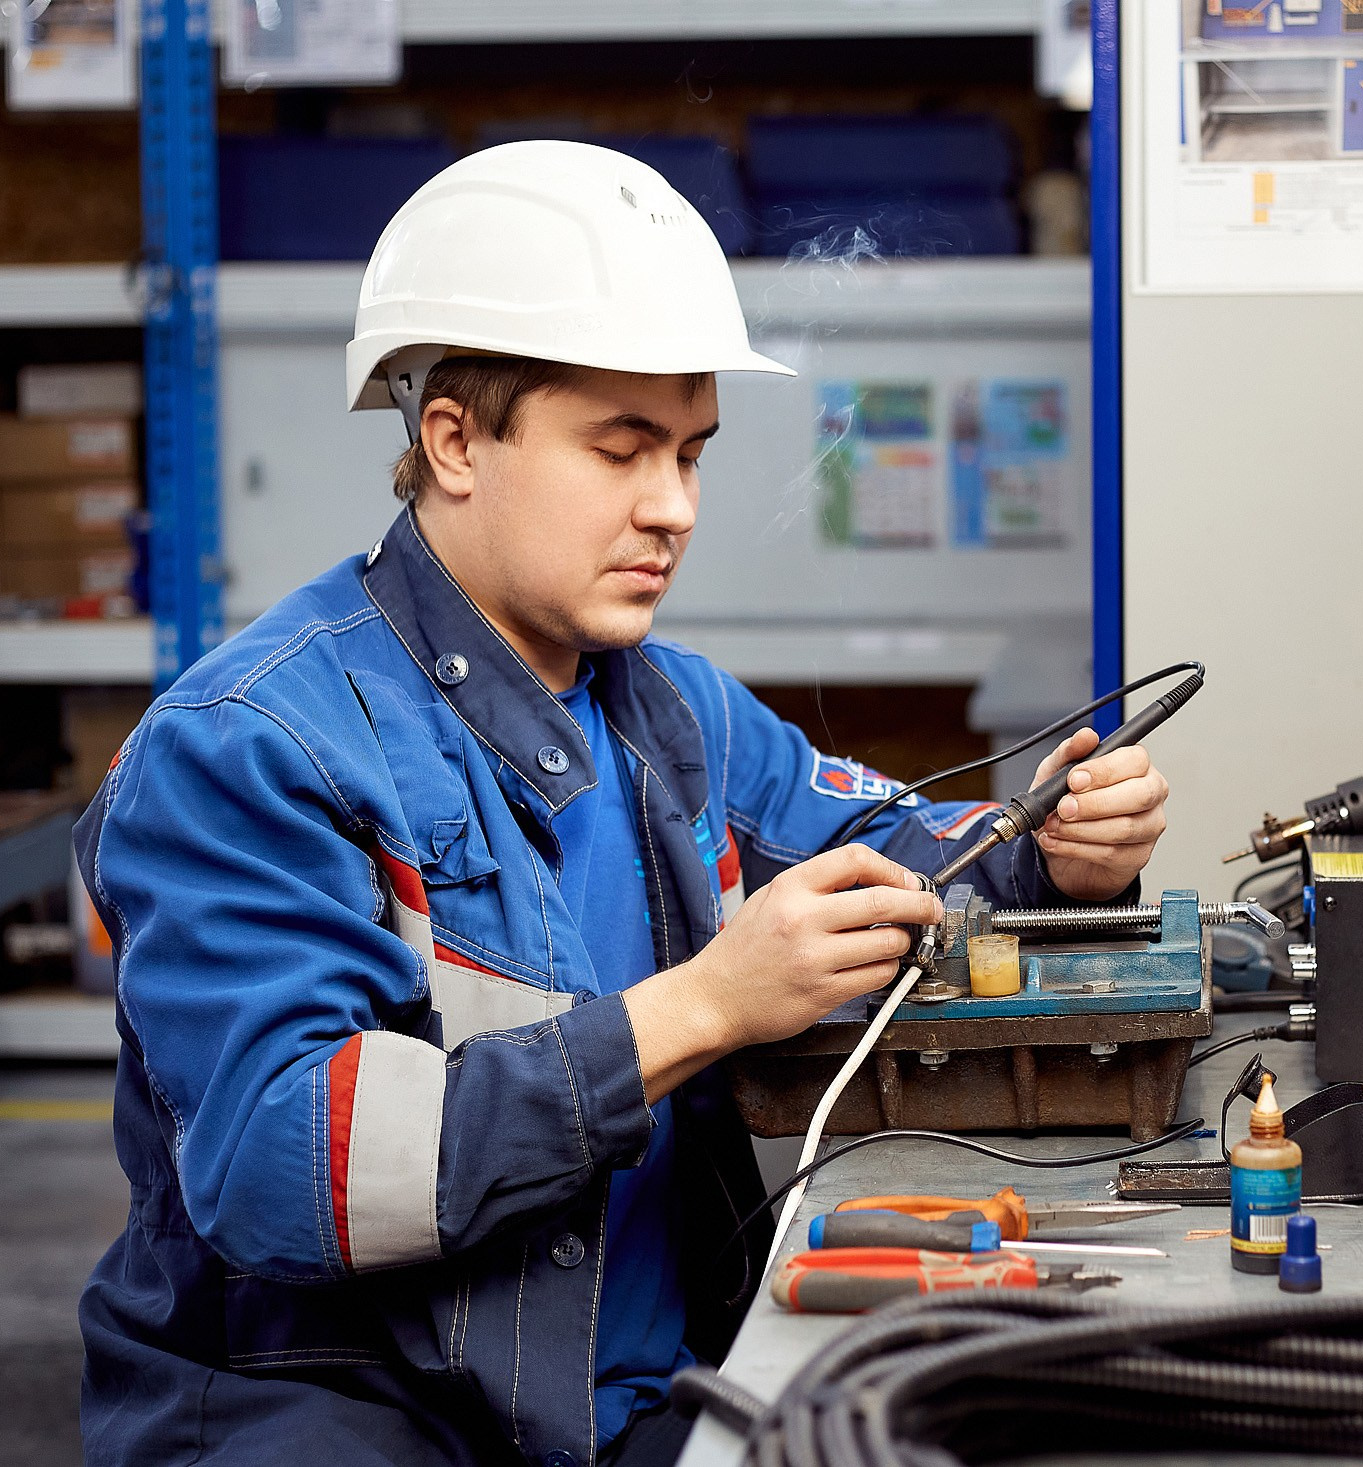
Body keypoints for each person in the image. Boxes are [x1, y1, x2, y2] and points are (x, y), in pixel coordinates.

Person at [72, 142, 1172, 1467]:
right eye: (622, 451)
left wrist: (1055, 854)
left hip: (632, 1403)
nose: (675, 509)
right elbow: (284, 1170)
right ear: (455, 441)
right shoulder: (250, 747)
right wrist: (703, 1006)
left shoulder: (673, 713)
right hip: (339, 1416)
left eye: (693, 454)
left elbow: (907, 855)